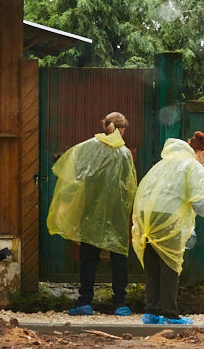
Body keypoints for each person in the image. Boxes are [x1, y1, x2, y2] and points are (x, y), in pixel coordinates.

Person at [131, 131, 204, 325]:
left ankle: (151, 313)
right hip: (168, 219)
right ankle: (170, 314)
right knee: (170, 265)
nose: (203, 163)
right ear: (201, 153)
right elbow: (197, 203)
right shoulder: (193, 166)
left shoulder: (165, 163)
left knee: (153, 266)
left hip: (146, 216)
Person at [46, 112, 138, 316]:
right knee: (119, 256)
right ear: (122, 129)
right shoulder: (124, 153)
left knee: (88, 257)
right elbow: (130, 184)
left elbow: (73, 170)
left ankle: (85, 302)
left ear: (105, 125)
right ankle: (120, 303)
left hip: (90, 210)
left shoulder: (89, 147)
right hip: (116, 212)